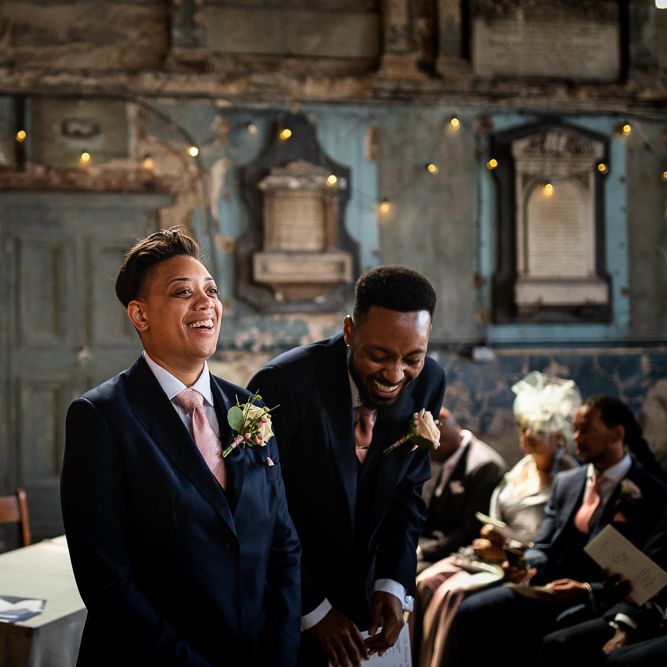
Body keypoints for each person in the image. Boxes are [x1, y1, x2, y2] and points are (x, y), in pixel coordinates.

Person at [60, 228, 301, 667]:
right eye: (182, 292)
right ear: (140, 315)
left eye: (211, 290)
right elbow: (106, 577)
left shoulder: (249, 408)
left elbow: (283, 545)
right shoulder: (101, 417)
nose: (205, 302)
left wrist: (280, 655)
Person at [248, 265, 446, 667]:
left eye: (412, 358)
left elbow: (407, 493)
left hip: (368, 602)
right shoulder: (283, 385)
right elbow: (261, 511)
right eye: (379, 355)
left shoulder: (429, 382)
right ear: (350, 332)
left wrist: (392, 584)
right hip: (290, 604)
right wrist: (314, 610)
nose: (395, 374)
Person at [453, 394, 667, 667]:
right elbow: (544, 549)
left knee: (556, 636)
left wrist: (588, 589)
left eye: (585, 428)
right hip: (550, 586)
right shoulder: (568, 482)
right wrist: (521, 564)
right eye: (574, 428)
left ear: (617, 433)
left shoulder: (650, 492)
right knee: (473, 610)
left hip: (601, 596)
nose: (576, 436)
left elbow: (646, 574)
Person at [412, 371, 580, 667]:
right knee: (425, 583)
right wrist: (490, 533)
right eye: (524, 428)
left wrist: (504, 548)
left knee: (451, 594)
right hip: (488, 551)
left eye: (537, 430)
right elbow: (495, 512)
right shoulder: (521, 470)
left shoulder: (567, 478)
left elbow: (551, 538)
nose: (527, 437)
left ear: (558, 438)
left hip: (519, 559)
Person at [417, 407, 507, 573]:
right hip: (438, 544)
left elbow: (471, 531)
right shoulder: (450, 454)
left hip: (465, 552)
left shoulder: (485, 467)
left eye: (423, 445)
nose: (422, 452)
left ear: (438, 440)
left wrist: (421, 551)